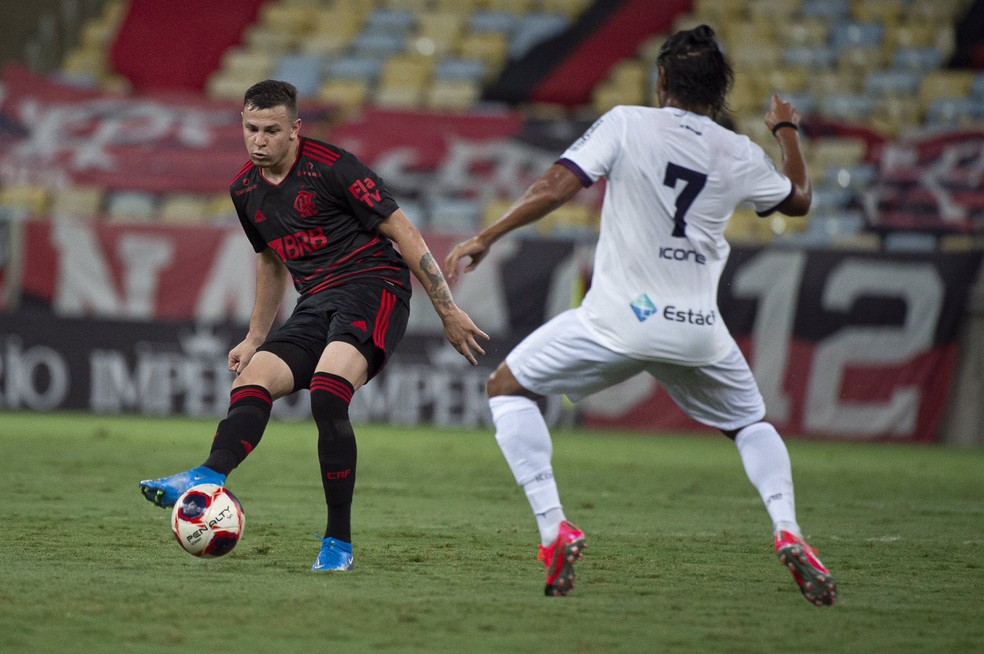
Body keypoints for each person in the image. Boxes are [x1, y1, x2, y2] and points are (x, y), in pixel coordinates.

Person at [445, 25, 836, 605]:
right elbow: (800, 200)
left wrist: (489, 235)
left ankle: (555, 529)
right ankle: (788, 529)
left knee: (507, 387)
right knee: (751, 426)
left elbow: (558, 186)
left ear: (661, 81)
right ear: (720, 89)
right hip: (701, 333)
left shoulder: (627, 122)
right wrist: (786, 132)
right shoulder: (739, 150)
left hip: (617, 322)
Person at [140, 79, 488, 571]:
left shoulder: (334, 168)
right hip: (316, 301)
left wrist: (448, 310)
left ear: (295, 130)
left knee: (327, 389)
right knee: (255, 376)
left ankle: (338, 543)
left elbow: (404, 232)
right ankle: (208, 474)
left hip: (375, 286)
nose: (258, 140)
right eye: (250, 128)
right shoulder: (244, 190)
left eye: (271, 130)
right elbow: (271, 261)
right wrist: (255, 336)